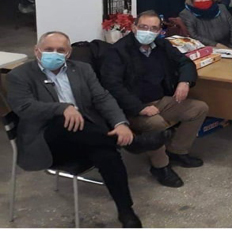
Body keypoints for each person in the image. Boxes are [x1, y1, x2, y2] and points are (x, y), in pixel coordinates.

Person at [6, 31, 168, 228]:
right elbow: (24, 107)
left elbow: (102, 98)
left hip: (87, 135)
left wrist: (121, 124)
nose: (54, 53)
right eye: (49, 49)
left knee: (106, 154)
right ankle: (133, 143)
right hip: (48, 140)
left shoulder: (82, 69)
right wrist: (62, 108)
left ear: (68, 53)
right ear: (37, 50)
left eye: (60, 50)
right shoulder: (19, 75)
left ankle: (126, 211)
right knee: (62, 121)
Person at [100, 11, 209, 189]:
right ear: (134, 27)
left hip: (160, 100)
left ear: (159, 31)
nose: (148, 32)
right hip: (132, 108)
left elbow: (185, 62)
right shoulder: (118, 51)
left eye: (153, 28)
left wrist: (185, 81)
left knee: (199, 108)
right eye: (143, 27)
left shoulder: (161, 44)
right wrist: (139, 108)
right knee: (156, 124)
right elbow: (112, 86)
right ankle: (160, 166)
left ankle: (177, 151)